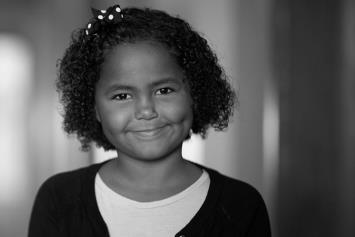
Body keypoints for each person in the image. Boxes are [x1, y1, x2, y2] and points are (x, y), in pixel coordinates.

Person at [28, 4, 271, 237]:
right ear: (94, 109)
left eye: (164, 91)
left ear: (195, 94)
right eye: (122, 96)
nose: (146, 110)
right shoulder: (59, 199)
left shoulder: (241, 205)